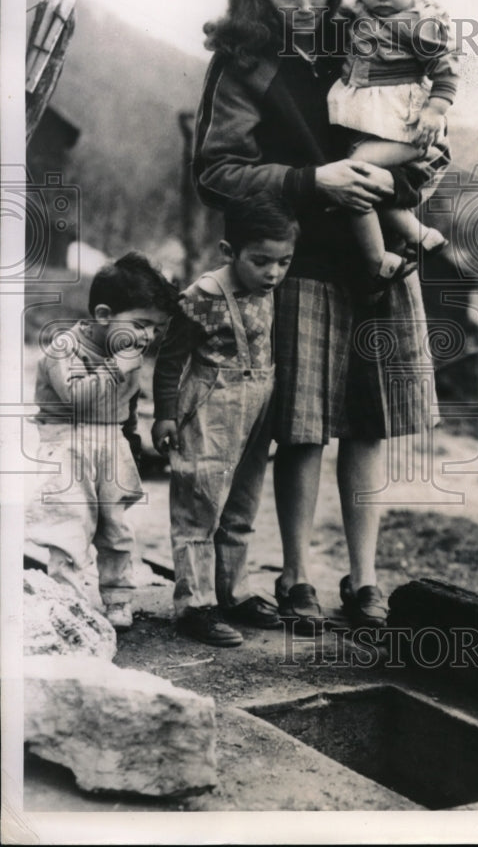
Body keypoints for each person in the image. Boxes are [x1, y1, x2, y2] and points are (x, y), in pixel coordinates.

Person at [193, 0, 441, 632]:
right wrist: (312, 179)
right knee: (302, 431)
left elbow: (416, 115)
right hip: (297, 260)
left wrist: (422, 156)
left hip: (383, 260)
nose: (306, 6)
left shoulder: (366, 32)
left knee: (373, 425)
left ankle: (365, 583)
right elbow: (216, 172)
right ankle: (295, 575)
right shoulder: (243, 61)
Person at [151, 193, 299, 647]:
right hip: (211, 407)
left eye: (284, 262)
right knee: (200, 502)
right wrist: (165, 415)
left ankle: (233, 592)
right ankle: (195, 605)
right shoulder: (203, 296)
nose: (273, 272)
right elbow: (171, 358)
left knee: (241, 504)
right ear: (229, 252)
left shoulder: (270, 291)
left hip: (256, 409)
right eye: (261, 261)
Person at [27, 252, 176, 631]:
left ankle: (117, 597)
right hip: (68, 446)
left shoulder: (129, 353)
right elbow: (76, 397)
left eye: (156, 329)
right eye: (142, 324)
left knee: (115, 527)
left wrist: (131, 440)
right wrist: (114, 367)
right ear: (104, 314)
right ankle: (68, 604)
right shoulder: (65, 347)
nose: (148, 336)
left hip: (109, 445)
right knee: (69, 525)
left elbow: (128, 405)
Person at [327, 0, 456, 294]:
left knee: (353, 175)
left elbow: (446, 69)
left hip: (406, 124)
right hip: (375, 119)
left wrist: (435, 109)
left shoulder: (421, 23)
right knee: (360, 179)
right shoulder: (361, 13)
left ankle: (377, 259)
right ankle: (421, 236)